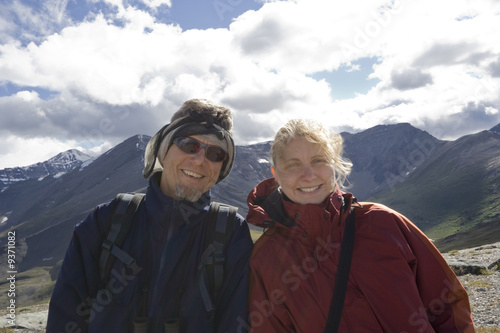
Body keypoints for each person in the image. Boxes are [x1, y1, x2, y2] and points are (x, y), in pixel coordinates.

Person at [245, 119, 474, 332]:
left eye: (319, 161)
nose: (308, 175)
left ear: (334, 165)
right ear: (276, 174)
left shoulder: (383, 222)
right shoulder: (266, 259)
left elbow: (447, 303)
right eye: (293, 165)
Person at [46, 99, 253, 333]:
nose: (199, 160)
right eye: (188, 144)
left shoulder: (231, 234)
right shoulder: (107, 220)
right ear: (163, 150)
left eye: (215, 153)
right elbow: (65, 318)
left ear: (222, 168)